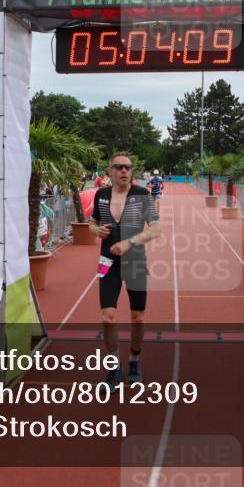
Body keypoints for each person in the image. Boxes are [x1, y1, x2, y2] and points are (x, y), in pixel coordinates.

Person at [88, 152, 161, 388]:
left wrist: (130, 242)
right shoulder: (101, 194)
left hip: (135, 261)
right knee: (107, 317)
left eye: (128, 167)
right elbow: (92, 223)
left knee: (137, 317)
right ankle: (114, 367)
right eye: (119, 167)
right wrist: (96, 231)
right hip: (107, 261)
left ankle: (134, 360)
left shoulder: (142, 194)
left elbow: (155, 229)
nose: (124, 171)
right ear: (109, 171)